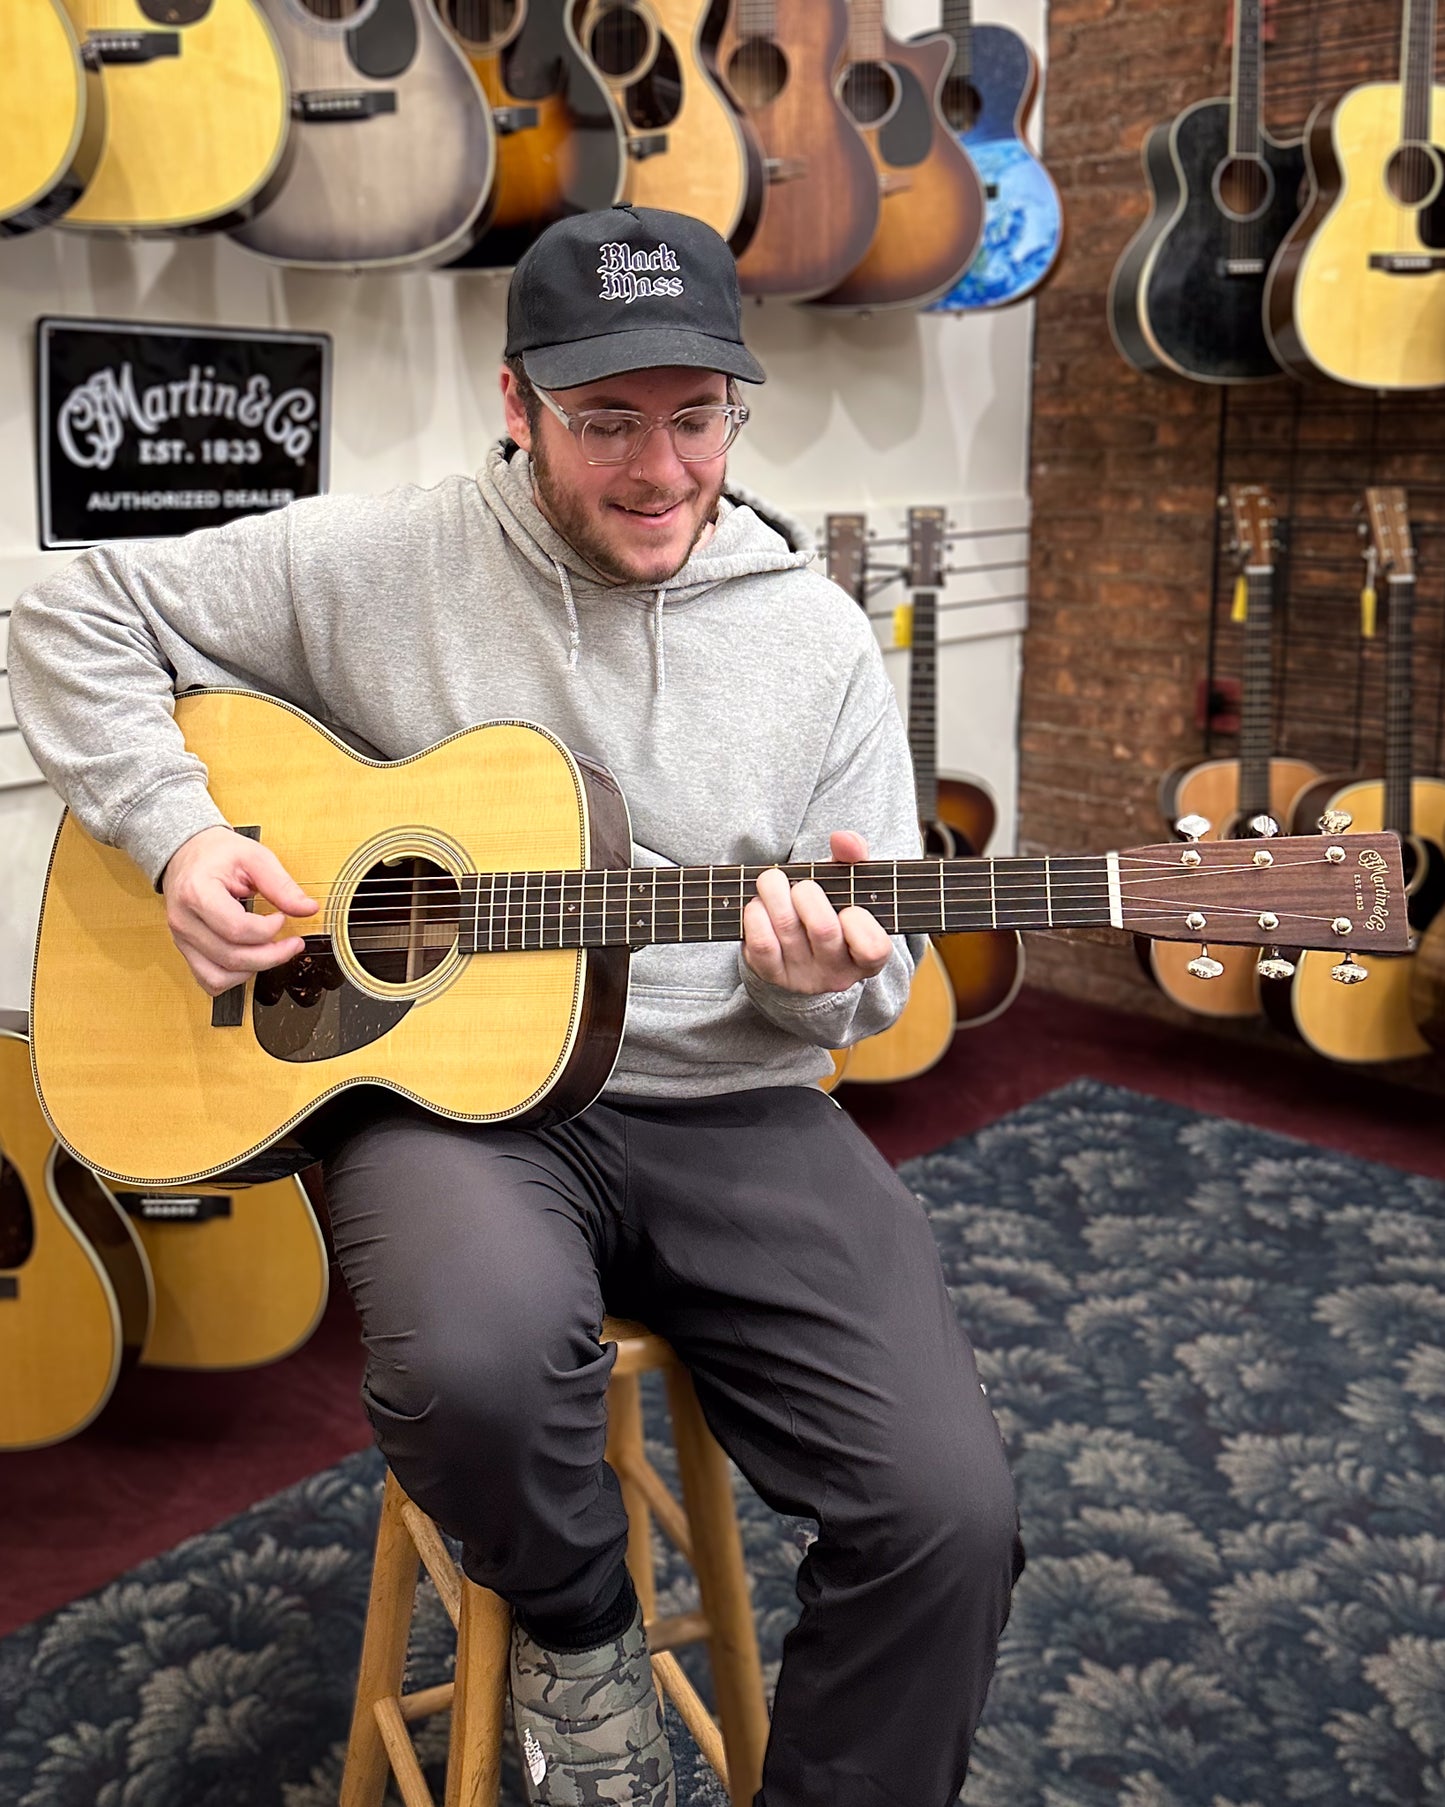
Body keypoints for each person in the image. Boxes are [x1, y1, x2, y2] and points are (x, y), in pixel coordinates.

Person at [10, 205, 1022, 1807]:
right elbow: (64, 603)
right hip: (457, 1112)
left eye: (696, 419)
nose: (659, 468)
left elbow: (876, 958)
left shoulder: (819, 641)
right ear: (515, 402)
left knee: (950, 1519)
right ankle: (579, 1636)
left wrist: (831, 978)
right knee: (473, 1364)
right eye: (604, 419)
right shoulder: (381, 558)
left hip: (733, 1106)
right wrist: (181, 830)